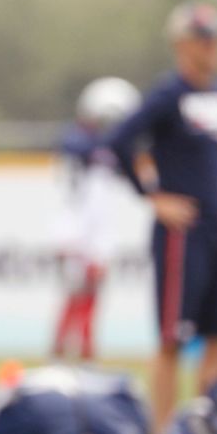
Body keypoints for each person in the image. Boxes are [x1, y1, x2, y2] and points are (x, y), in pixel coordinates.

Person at [105, 2, 217, 434]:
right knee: (172, 339)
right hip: (183, 234)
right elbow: (119, 141)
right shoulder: (168, 95)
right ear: (183, 45)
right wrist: (153, 197)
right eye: (205, 38)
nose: (214, 46)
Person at [50, 77, 141, 360]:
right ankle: (63, 354)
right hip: (78, 231)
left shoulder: (102, 152)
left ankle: (84, 353)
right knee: (76, 296)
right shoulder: (82, 144)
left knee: (90, 298)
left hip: (93, 233)